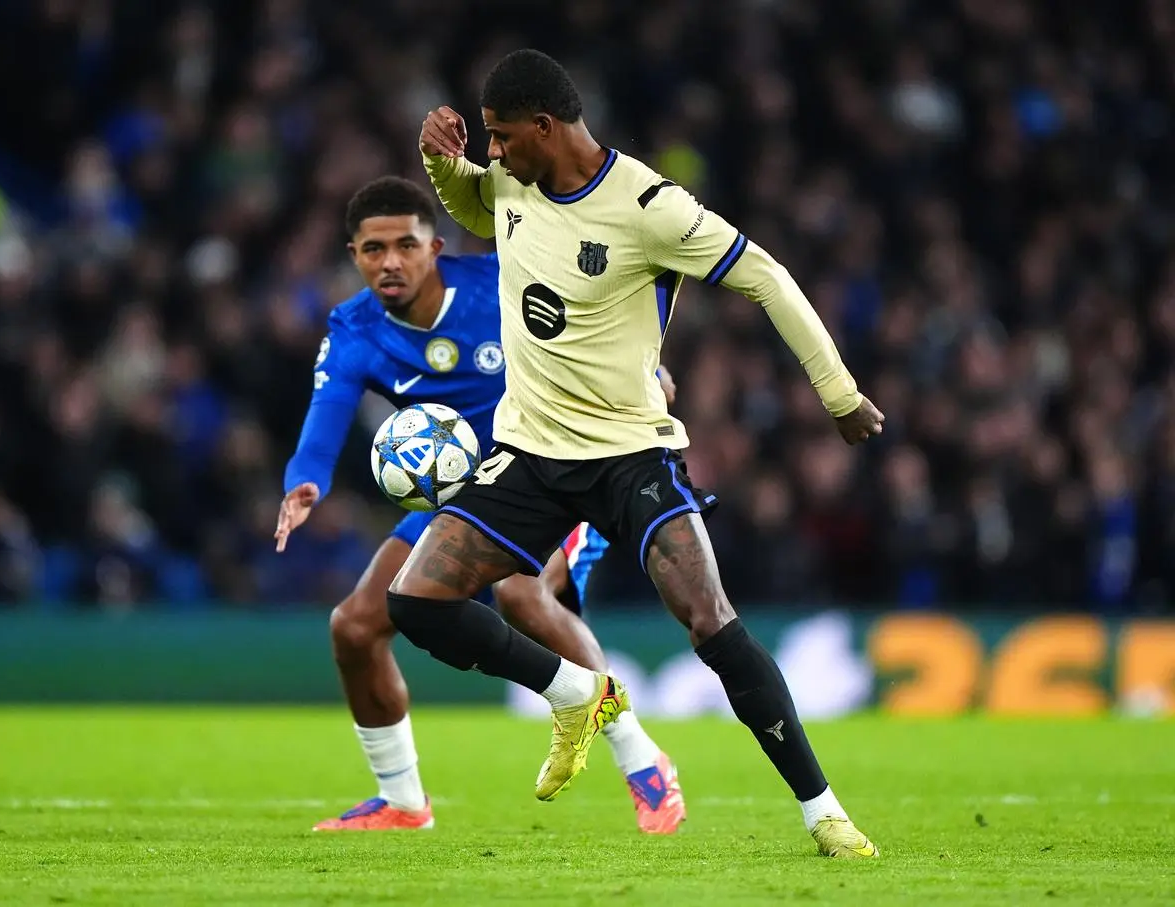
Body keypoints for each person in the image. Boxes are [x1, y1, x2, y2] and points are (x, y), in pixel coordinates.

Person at [393, 49, 885, 857]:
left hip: (630, 457)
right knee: (415, 601)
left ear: (546, 128)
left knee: (712, 624)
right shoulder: (513, 180)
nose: (495, 151)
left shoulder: (649, 206)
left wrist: (839, 395)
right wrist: (438, 160)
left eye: (502, 136)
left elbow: (765, 276)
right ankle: (574, 692)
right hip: (529, 451)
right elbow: (476, 213)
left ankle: (824, 811)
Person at [274, 176, 686, 834]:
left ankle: (642, 758)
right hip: (461, 490)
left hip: (555, 469)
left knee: (523, 597)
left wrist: (641, 366)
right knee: (354, 626)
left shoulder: (499, 282)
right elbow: (327, 414)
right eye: (372, 248)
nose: (390, 262)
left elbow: (593, 304)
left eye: (405, 244)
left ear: (434, 246)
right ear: (353, 253)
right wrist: (305, 480)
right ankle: (403, 802)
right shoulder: (353, 328)